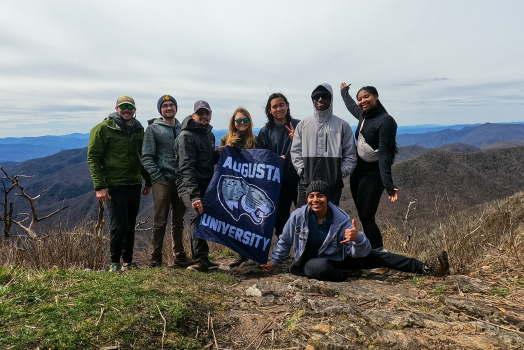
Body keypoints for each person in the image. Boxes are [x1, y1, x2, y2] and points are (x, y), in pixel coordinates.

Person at [260, 181, 449, 282]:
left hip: (341, 258)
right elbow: (285, 241)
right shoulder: (298, 216)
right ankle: (347, 274)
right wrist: (274, 261)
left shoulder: (341, 220)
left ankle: (425, 267)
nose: (315, 200)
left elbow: (361, 252)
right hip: (310, 261)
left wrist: (358, 238)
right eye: (311, 196)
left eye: (320, 196)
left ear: (328, 198)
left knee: (380, 257)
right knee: (321, 268)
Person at [87, 95, 152, 272]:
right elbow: (93, 157)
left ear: (135, 110)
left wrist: (148, 181)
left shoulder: (139, 130)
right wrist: (99, 187)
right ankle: (114, 262)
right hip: (114, 184)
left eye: (130, 107)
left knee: (130, 225)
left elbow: (141, 157)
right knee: (119, 225)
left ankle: (127, 263)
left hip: (134, 183)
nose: (126, 110)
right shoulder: (102, 128)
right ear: (116, 108)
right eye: (123, 107)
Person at [340, 83, 398, 250]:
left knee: (367, 217)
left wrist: (388, 183)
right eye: (360, 99)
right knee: (362, 215)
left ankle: (378, 256)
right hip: (357, 173)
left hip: (374, 175)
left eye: (366, 97)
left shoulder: (386, 121)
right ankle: (367, 251)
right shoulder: (363, 116)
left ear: (376, 96)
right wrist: (344, 91)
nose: (362, 101)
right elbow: (351, 106)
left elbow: (384, 153)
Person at [141, 95, 189, 268]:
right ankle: (156, 256)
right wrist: (158, 178)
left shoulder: (183, 127)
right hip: (162, 181)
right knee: (160, 220)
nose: (169, 108)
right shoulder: (153, 129)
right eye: (165, 106)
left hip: (182, 181)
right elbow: (146, 157)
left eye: (171, 105)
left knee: (179, 221)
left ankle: (179, 255)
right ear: (160, 110)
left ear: (176, 108)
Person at [290, 83, 357, 207]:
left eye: (324, 96)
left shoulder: (342, 125)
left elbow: (350, 154)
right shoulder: (303, 125)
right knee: (303, 220)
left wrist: (338, 174)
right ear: (312, 98)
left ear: (330, 98)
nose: (320, 99)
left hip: (333, 187)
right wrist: (302, 171)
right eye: (317, 96)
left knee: (329, 223)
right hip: (306, 185)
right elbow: (295, 152)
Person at [175, 100, 220, 272]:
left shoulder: (209, 135)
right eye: (200, 113)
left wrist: (218, 153)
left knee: (203, 217)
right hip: (188, 183)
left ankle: (204, 260)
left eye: (206, 113)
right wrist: (194, 196)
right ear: (193, 115)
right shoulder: (186, 136)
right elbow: (186, 168)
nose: (204, 116)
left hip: (204, 183)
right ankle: (199, 260)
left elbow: (206, 159)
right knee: (196, 215)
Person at [217, 107, 258, 268]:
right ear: (233, 123)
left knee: (249, 220)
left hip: (251, 185)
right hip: (232, 186)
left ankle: (250, 253)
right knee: (235, 220)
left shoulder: (255, 139)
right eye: (239, 120)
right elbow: (219, 163)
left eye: (245, 120)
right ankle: (239, 254)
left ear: (249, 121)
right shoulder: (226, 139)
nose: (242, 123)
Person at [257, 93, 300, 238]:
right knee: (280, 219)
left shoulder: (299, 125)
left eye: (281, 105)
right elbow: (261, 158)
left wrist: (299, 139)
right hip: (277, 183)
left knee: (305, 216)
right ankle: (284, 252)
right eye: (274, 106)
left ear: (287, 106)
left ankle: (307, 251)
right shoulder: (265, 131)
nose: (279, 109)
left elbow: (312, 149)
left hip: (300, 179)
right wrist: (275, 159)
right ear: (269, 110)